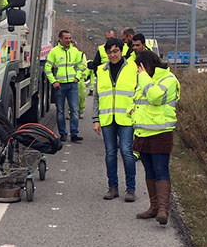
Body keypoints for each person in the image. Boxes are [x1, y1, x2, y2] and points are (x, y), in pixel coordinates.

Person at [130, 50, 180, 225]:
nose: (137, 72)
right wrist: (132, 111)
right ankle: (153, 207)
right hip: (143, 133)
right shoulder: (145, 80)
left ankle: (163, 210)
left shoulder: (168, 79)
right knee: (149, 171)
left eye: (139, 68)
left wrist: (143, 77)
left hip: (160, 134)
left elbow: (154, 97)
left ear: (147, 66)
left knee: (161, 170)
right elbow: (137, 99)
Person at [92, 38, 137, 202]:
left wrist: (136, 112)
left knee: (126, 152)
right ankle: (112, 187)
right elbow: (97, 96)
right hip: (107, 118)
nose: (113, 55)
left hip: (126, 118)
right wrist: (95, 119)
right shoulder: (101, 70)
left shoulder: (133, 68)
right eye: (109, 52)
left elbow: (140, 92)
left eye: (116, 51)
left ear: (122, 51)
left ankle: (131, 189)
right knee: (110, 153)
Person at [45, 30, 85, 142]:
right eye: (66, 38)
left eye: (69, 38)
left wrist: (77, 77)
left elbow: (80, 66)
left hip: (72, 85)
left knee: (74, 110)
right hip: (60, 86)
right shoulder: (54, 52)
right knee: (60, 111)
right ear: (60, 39)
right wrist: (53, 81)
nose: (68, 40)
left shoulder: (75, 51)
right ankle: (62, 134)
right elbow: (47, 69)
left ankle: (74, 134)